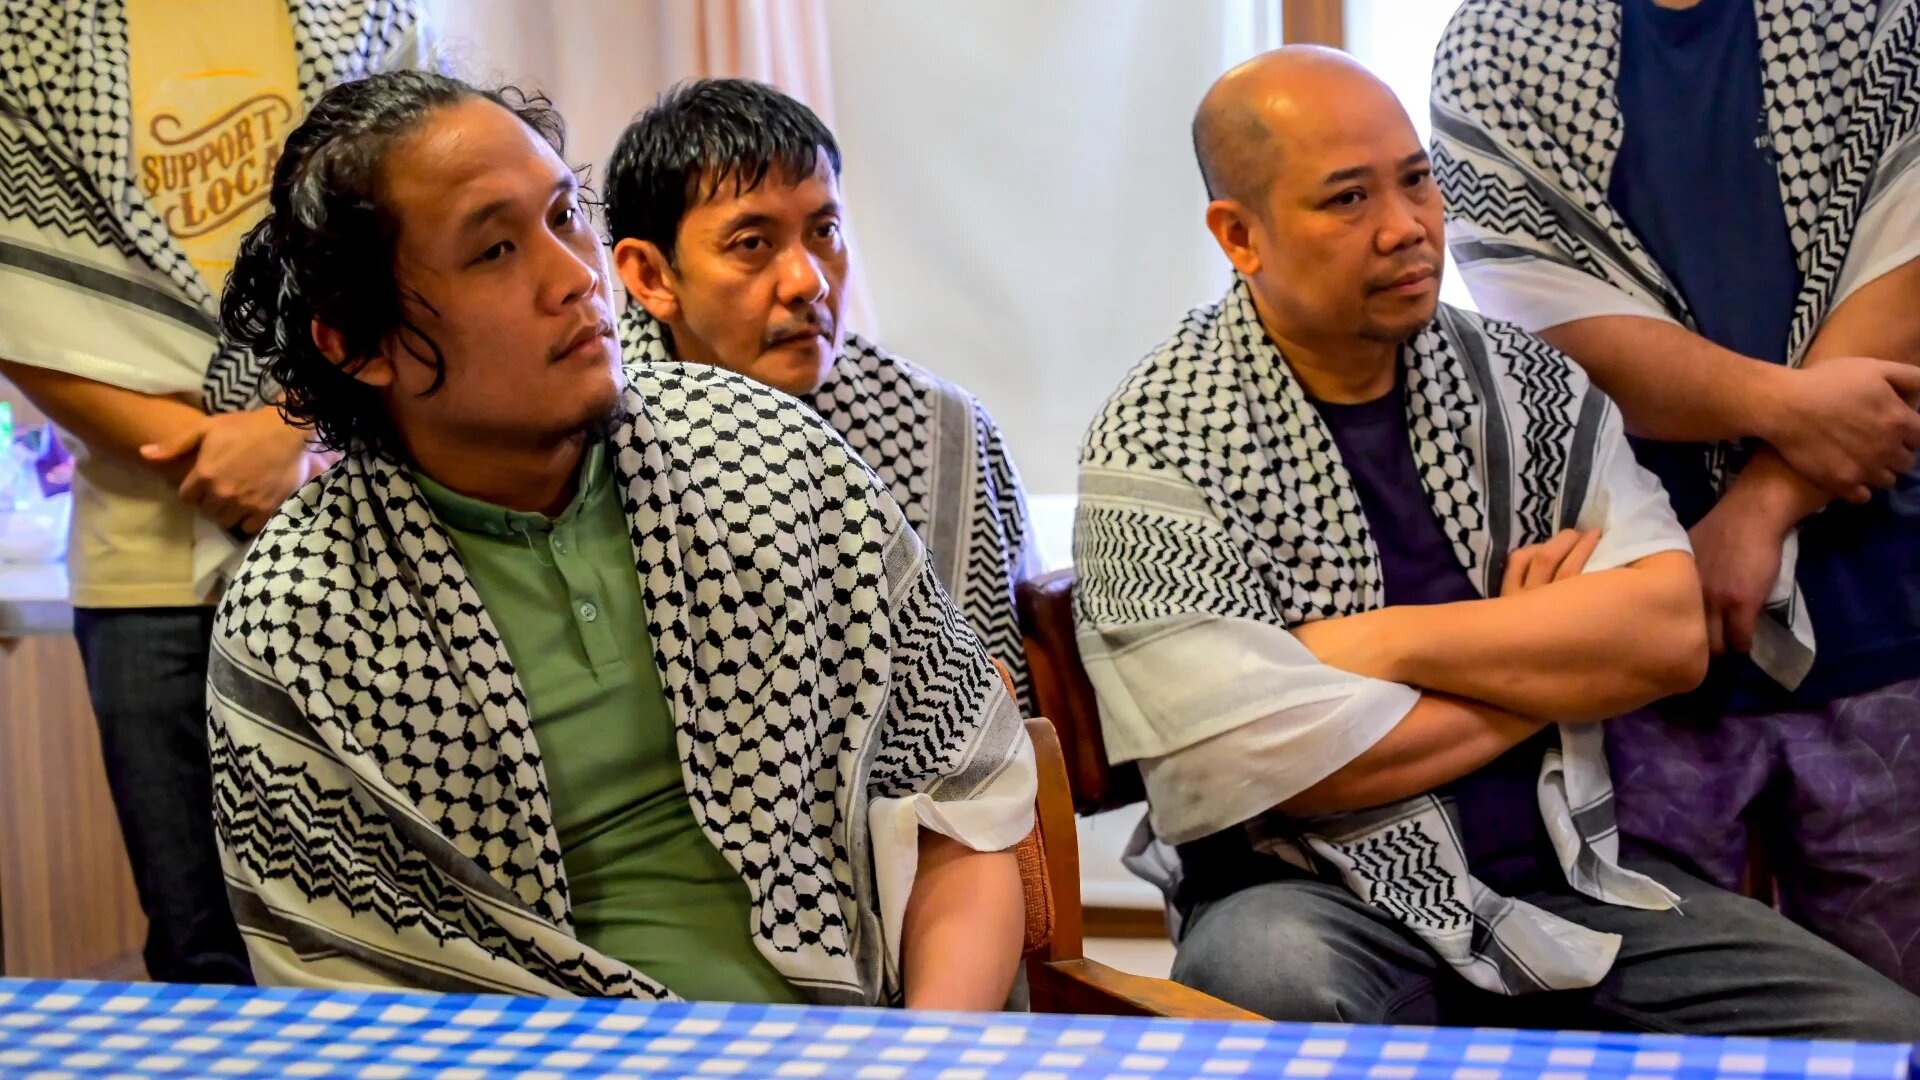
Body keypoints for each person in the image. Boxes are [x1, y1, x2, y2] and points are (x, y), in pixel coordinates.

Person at [1073, 45, 1920, 1036]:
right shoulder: (1161, 435)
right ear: (1240, 235)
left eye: (1417, 181)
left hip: (1571, 878)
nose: (1407, 229)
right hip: (1315, 896)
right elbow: (1251, 765)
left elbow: (1668, 635)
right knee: (1265, 970)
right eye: (1347, 201)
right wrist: (1557, 659)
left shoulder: (1522, 382)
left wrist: (1392, 643)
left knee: (1883, 1037)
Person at [206, 71, 1034, 1006]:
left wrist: (920, 1062)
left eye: (565, 217)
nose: (575, 278)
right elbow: (352, 985)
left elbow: (958, 809)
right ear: (359, 343)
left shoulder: (771, 453)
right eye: (494, 252)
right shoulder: (300, 610)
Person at [1432, 0, 1920, 990]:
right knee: (1669, 1005)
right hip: (1643, 618)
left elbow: (1905, 265)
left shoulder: (1880, 15)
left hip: (1887, 592)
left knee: (1893, 1014)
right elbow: (1555, 320)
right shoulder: (1497, 39)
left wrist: (1761, 506)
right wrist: (1788, 413)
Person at [0, 0, 432, 984]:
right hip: (142, 572)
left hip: (359, 541)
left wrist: (288, 429)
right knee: (198, 943)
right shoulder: (28, 32)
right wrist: (216, 448)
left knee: (388, 929)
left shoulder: (372, 17)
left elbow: (427, 255)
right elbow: (18, 300)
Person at [607, 79, 1037, 708]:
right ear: (651, 275)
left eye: (824, 232)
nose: (807, 282)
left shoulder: (938, 426)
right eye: (752, 244)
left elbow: (1000, 709)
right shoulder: (596, 445)